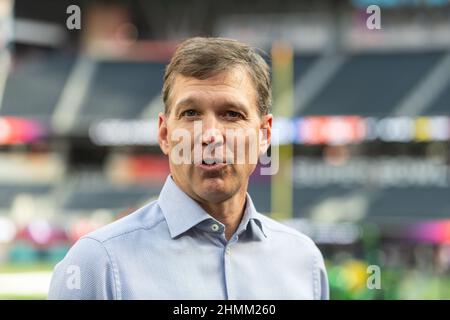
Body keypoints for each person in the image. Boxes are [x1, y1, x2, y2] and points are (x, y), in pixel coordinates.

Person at [48, 37, 329, 300]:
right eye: (191, 113)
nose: (210, 134)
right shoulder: (98, 264)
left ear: (264, 135)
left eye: (232, 114)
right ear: (164, 133)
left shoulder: (304, 262)